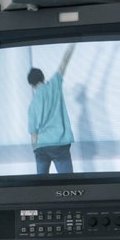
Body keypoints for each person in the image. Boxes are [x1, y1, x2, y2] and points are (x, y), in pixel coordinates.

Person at [27, 44, 76, 174]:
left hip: (42, 147)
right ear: (43, 78)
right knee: (68, 183)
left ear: (31, 85)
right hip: (61, 144)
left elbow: (33, 134)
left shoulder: (32, 106)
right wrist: (73, 43)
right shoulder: (54, 84)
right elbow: (64, 62)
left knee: (41, 187)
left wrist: (35, 150)